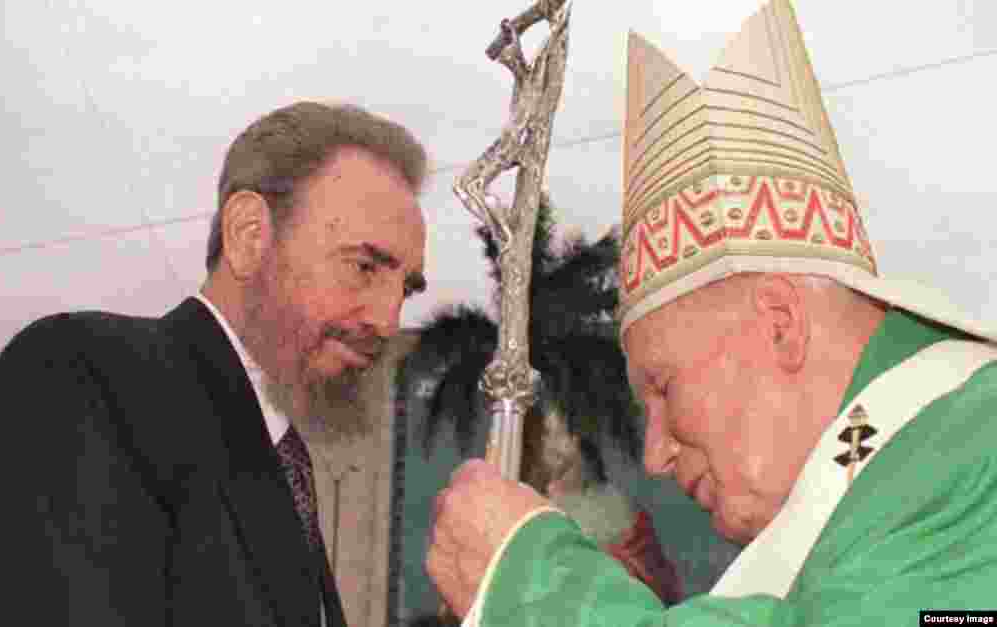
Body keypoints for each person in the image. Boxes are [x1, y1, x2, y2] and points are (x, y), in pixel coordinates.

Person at [425, 1, 997, 624]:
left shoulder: (977, 448)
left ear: (781, 323)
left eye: (663, 388)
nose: (653, 456)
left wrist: (528, 583)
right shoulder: (910, 490)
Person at [0, 101, 429, 627]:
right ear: (249, 235)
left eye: (406, 289)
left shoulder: (285, 464)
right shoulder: (83, 378)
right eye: (364, 266)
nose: (388, 320)